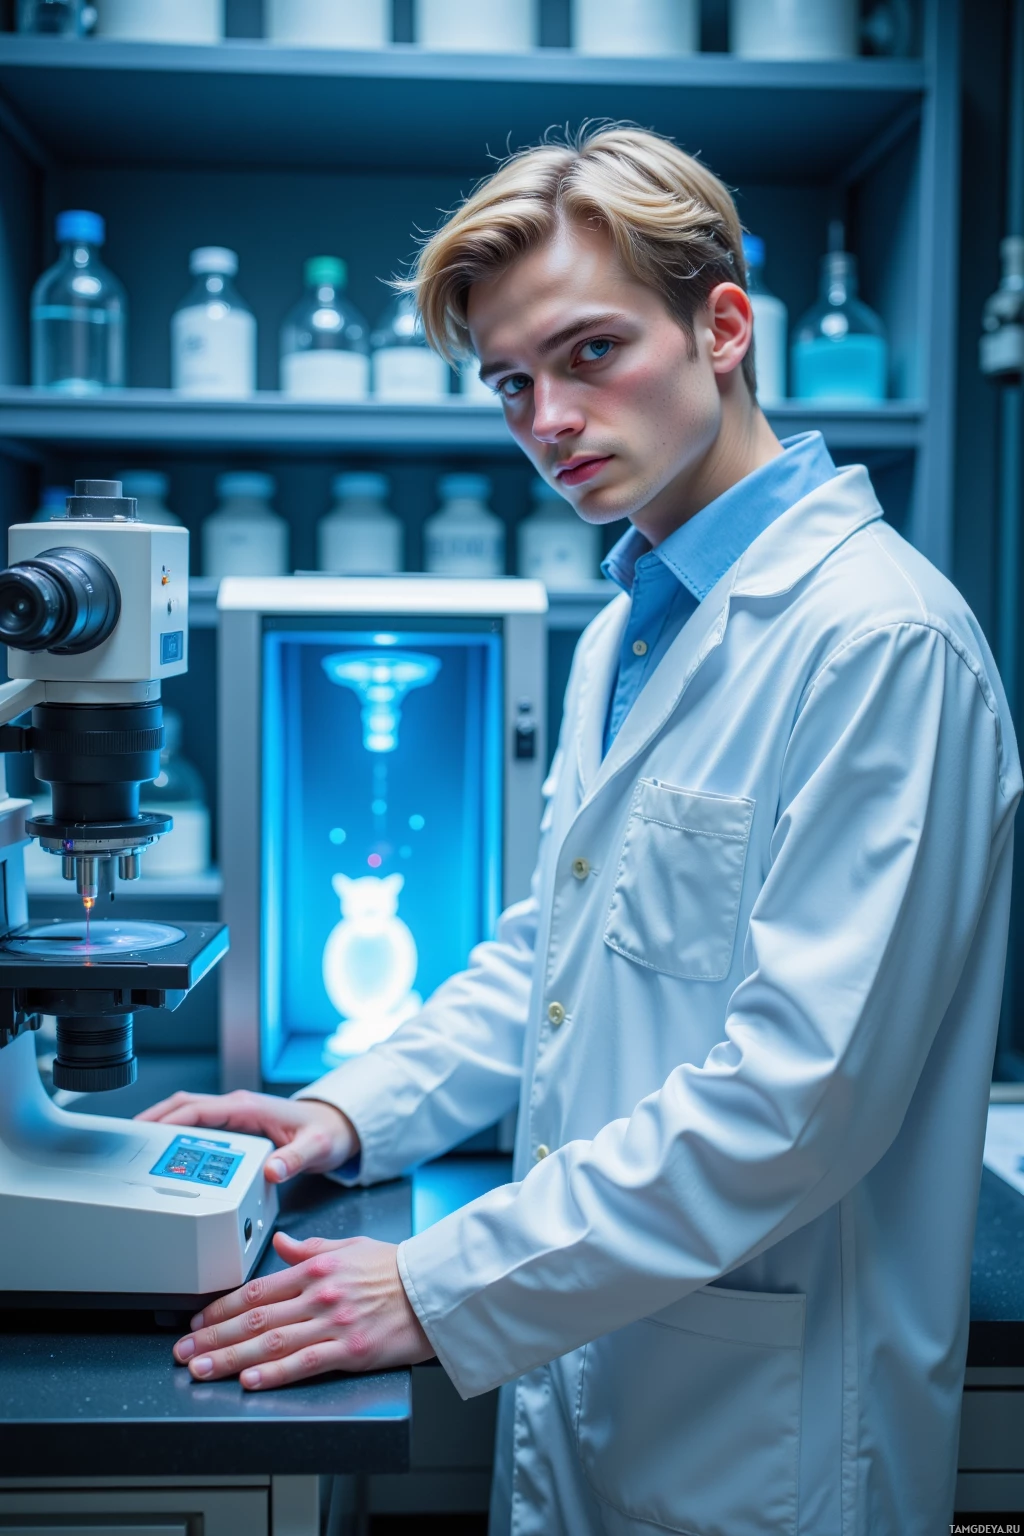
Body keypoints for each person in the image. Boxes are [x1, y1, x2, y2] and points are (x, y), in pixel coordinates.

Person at [139, 126, 1022, 1535]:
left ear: (722, 327)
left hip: (768, 1429)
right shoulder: (630, 627)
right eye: (509, 384)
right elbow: (551, 954)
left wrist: (437, 1285)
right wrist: (344, 1109)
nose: (545, 418)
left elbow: (799, 1102)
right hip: (606, 1363)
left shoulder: (879, 645)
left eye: (590, 353)